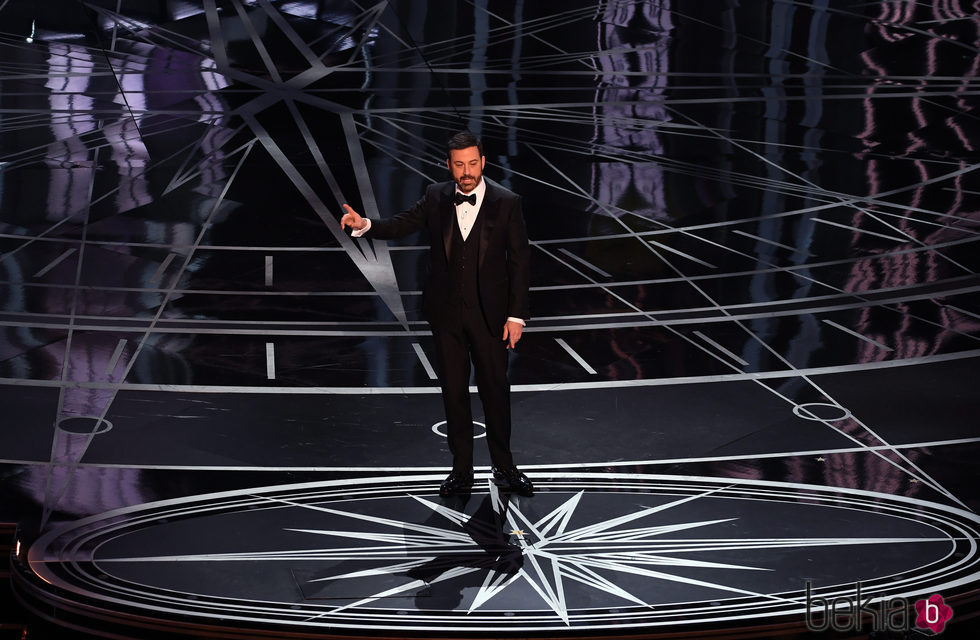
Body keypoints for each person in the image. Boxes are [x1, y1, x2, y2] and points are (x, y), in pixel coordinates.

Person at [340, 131, 533, 498]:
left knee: (495, 392)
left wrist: (516, 316)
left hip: (492, 318)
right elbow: (402, 223)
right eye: (459, 165)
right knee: (454, 394)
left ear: (483, 163)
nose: (467, 171)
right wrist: (366, 224)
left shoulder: (507, 202)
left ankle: (505, 466)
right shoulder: (435, 196)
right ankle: (461, 471)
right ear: (449, 165)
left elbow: (520, 263)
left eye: (472, 163)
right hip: (446, 317)